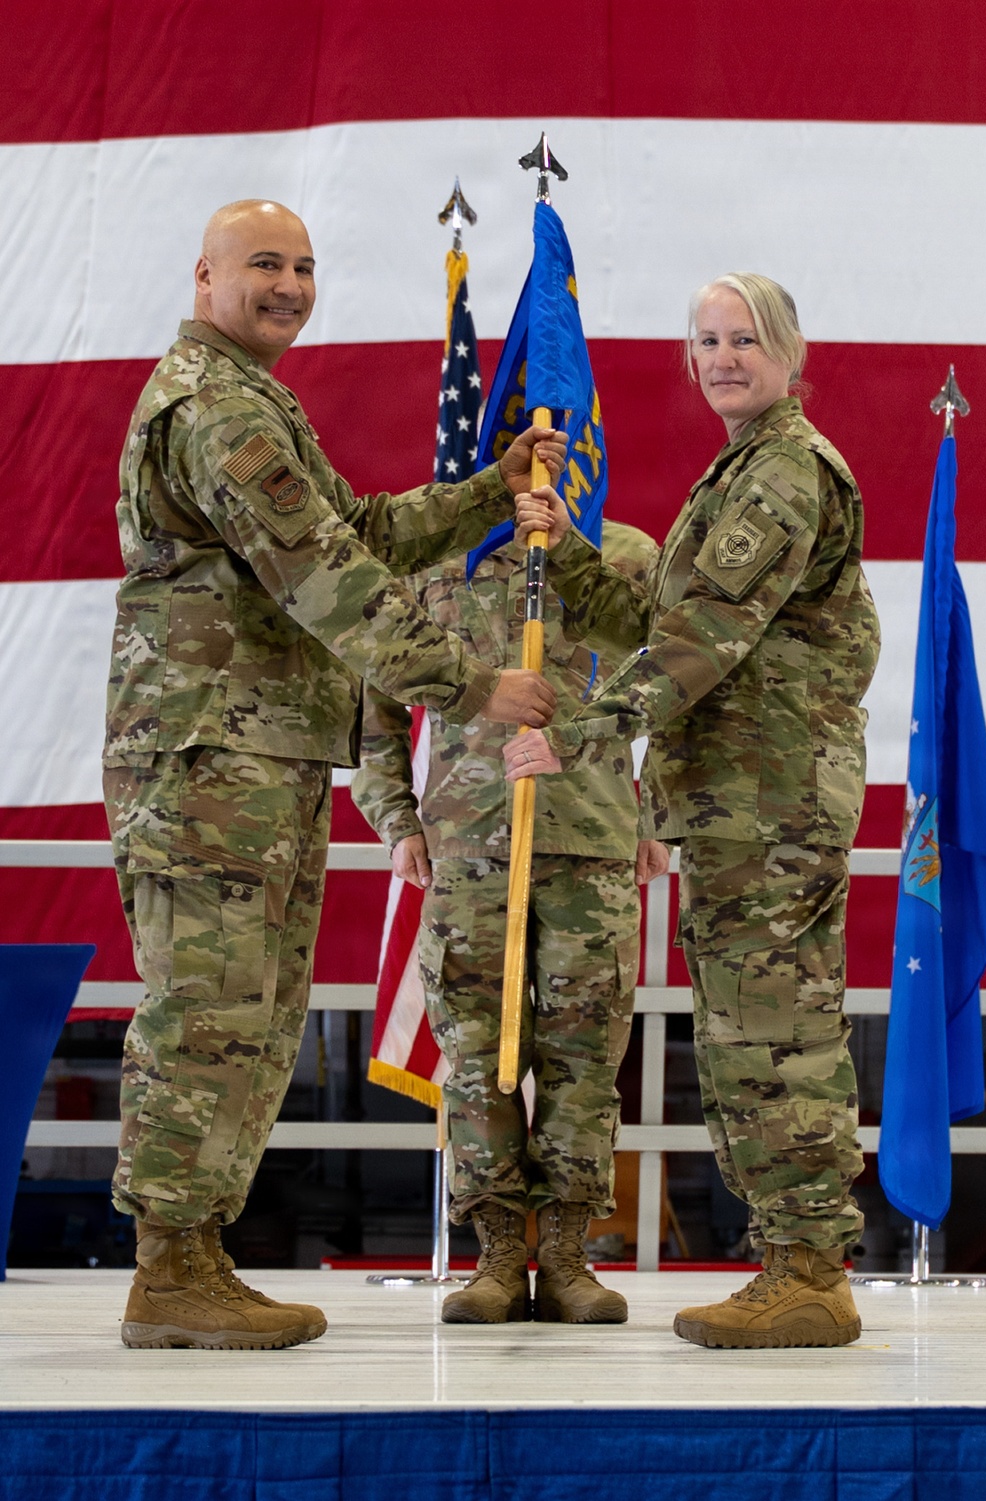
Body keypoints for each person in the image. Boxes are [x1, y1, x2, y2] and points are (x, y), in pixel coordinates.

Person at [103, 198, 566, 1350]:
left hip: (254, 755)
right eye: (263, 264)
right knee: (209, 1013)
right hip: (209, 758)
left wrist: (481, 490)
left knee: (253, 1015)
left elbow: (350, 528)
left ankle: (194, 1254)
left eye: (304, 266)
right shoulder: (216, 412)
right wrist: (473, 685)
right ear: (203, 278)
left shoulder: (256, 402)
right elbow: (328, 581)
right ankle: (168, 1264)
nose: (289, 285)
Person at [504, 273, 881, 1349]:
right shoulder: (737, 471)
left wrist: (573, 732)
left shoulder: (783, 474)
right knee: (741, 1030)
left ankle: (811, 1267)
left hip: (768, 804)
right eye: (706, 340)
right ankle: (790, 1258)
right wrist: (568, 549)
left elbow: (694, 642)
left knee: (776, 1031)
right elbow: (658, 613)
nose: (722, 357)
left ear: (789, 352)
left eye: (744, 340)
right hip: (733, 806)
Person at [353, 521, 666, 1324]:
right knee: (475, 1057)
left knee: (584, 1060)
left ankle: (565, 1256)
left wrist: (658, 813)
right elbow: (378, 702)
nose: (542, 454)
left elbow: (681, 683)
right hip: (467, 846)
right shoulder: (432, 565)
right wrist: (397, 820)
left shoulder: (624, 557)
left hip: (592, 843)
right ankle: (495, 1255)